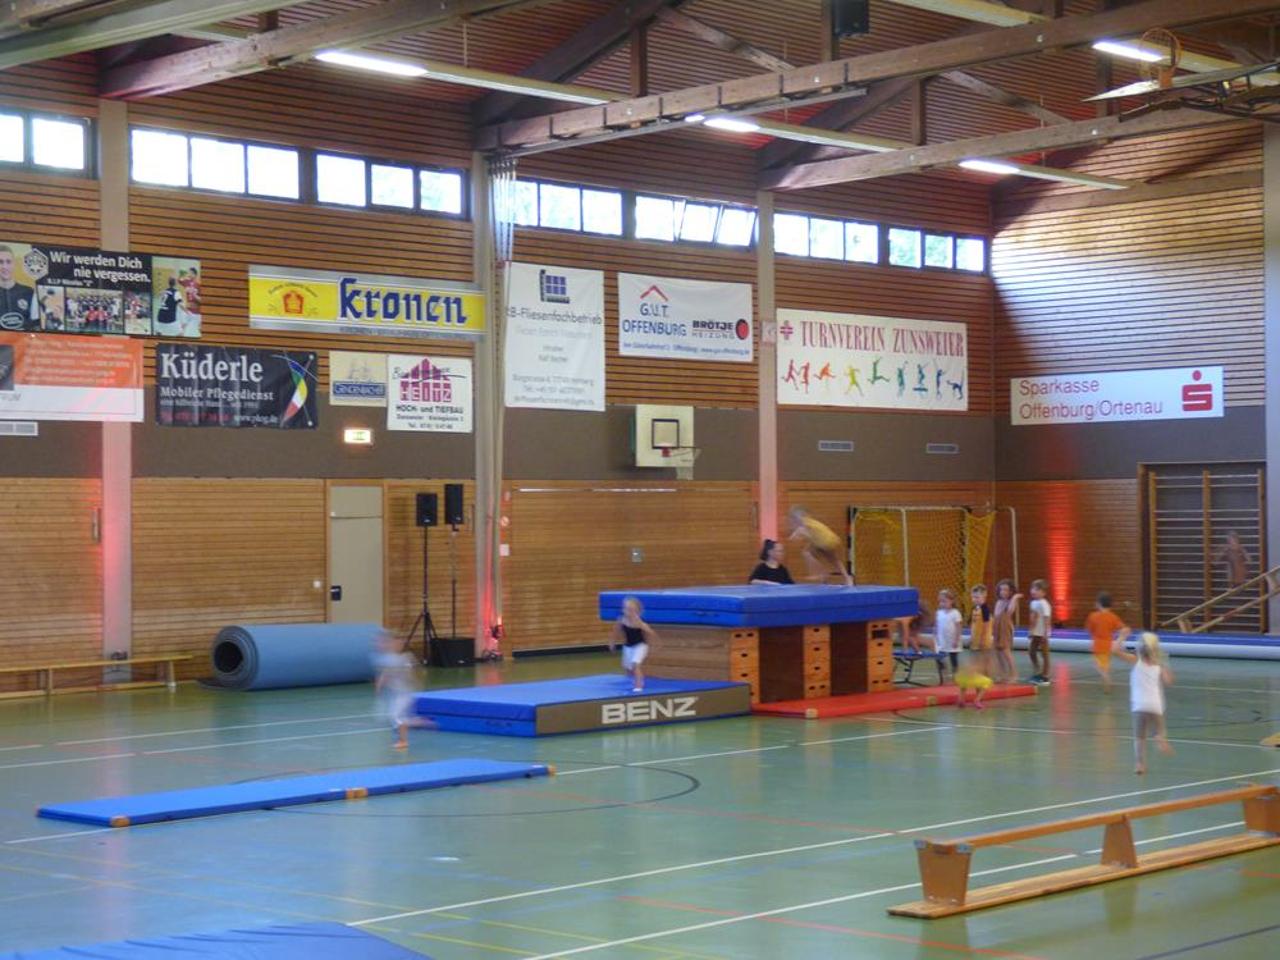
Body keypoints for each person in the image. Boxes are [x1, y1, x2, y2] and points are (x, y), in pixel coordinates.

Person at [1113, 632, 1175, 775]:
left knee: (1139, 737)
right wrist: (1166, 665)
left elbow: (1115, 651)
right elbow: (1169, 681)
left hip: (1140, 705)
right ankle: (1160, 739)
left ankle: (1140, 764)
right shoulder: (1159, 665)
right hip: (1155, 705)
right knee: (1159, 730)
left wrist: (1122, 636)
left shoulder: (1136, 661)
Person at [373, 631, 420, 750]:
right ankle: (418, 723)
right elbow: (385, 673)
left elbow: (403, 674)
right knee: (395, 716)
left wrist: (381, 683)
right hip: (396, 693)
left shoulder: (402, 659)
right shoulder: (389, 659)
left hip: (403, 693)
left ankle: (403, 741)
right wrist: (380, 685)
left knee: (397, 716)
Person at [788, 506, 853, 586]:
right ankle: (847, 578)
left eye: (795, 519)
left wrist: (794, 535)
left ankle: (820, 573)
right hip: (830, 539)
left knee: (806, 553)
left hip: (823, 541)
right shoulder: (811, 522)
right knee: (834, 560)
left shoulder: (805, 522)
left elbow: (804, 533)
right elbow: (809, 533)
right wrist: (797, 534)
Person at [610, 596, 659, 693]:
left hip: (640, 646)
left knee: (635, 665)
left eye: (632, 610)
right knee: (628, 668)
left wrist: (655, 644)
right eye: (626, 609)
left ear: (637, 611)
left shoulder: (639, 622)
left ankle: (638, 686)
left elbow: (651, 633)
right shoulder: (621, 620)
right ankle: (632, 682)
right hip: (628, 646)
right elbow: (615, 631)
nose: (629, 612)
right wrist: (612, 642)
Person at [1085, 592, 1130, 691]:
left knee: (1099, 666)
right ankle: (1106, 679)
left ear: (1098, 604)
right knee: (1104, 665)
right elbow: (1124, 629)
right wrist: (1120, 640)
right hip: (1108, 645)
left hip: (1097, 645)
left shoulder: (1093, 616)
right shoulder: (1113, 617)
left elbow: (1090, 630)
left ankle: (1106, 680)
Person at [992, 579, 1022, 684]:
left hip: (1005, 627)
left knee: (1005, 651)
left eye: (1006, 590)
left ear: (1010, 592)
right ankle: (1002, 674)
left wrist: (1014, 598)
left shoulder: (1010, 602)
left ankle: (1014, 674)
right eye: (1001, 590)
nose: (1003, 592)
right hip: (997, 626)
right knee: (998, 651)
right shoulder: (999, 602)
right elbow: (996, 615)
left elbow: (1009, 611)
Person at [0, 245, 36, 331]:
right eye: (0, 262)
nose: (4, 266)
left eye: (8, 262)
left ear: (14, 264)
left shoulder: (28, 292)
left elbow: (36, 326)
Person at [1027, 578, 1052, 685]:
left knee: (1044, 654)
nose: (1033, 591)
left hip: (1042, 633)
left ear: (1043, 592)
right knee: (1031, 651)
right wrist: (1031, 631)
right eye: (1032, 589)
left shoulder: (1044, 604)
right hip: (1036, 632)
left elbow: (1047, 619)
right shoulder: (1033, 603)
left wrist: (1046, 633)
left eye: (1037, 589)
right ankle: (1037, 670)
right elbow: (1033, 618)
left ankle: (1045, 675)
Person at [934, 588, 963, 678]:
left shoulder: (955, 613)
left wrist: (956, 640)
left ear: (951, 601)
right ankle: (943, 671)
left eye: (944, 601)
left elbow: (958, 627)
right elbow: (936, 625)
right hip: (942, 640)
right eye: (940, 601)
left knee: (953, 657)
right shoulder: (939, 613)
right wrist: (935, 636)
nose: (942, 603)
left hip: (952, 640)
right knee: (938, 656)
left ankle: (955, 673)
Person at [968, 584, 994, 678]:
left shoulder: (985, 609)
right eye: (973, 597)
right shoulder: (974, 608)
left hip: (984, 640)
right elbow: (973, 624)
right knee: (977, 658)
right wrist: (972, 637)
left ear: (984, 596)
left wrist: (982, 639)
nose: (974, 599)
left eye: (977, 597)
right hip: (976, 639)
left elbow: (986, 624)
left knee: (985, 658)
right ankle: (979, 675)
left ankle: (987, 676)